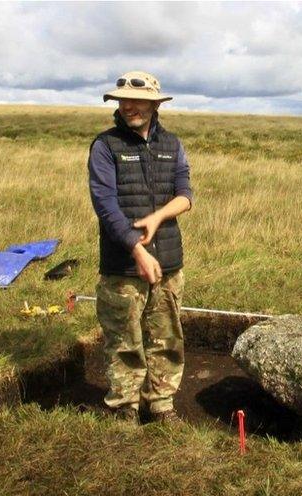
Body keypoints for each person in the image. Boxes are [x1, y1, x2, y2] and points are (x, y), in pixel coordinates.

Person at [87, 70, 193, 423]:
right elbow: (105, 204)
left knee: (166, 337)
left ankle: (162, 405)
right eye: (124, 101)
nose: (130, 106)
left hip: (168, 260)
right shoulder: (105, 146)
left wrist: (157, 218)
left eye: (139, 100)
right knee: (123, 339)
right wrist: (137, 249)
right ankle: (125, 408)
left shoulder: (173, 145)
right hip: (122, 264)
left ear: (154, 104)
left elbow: (185, 196)